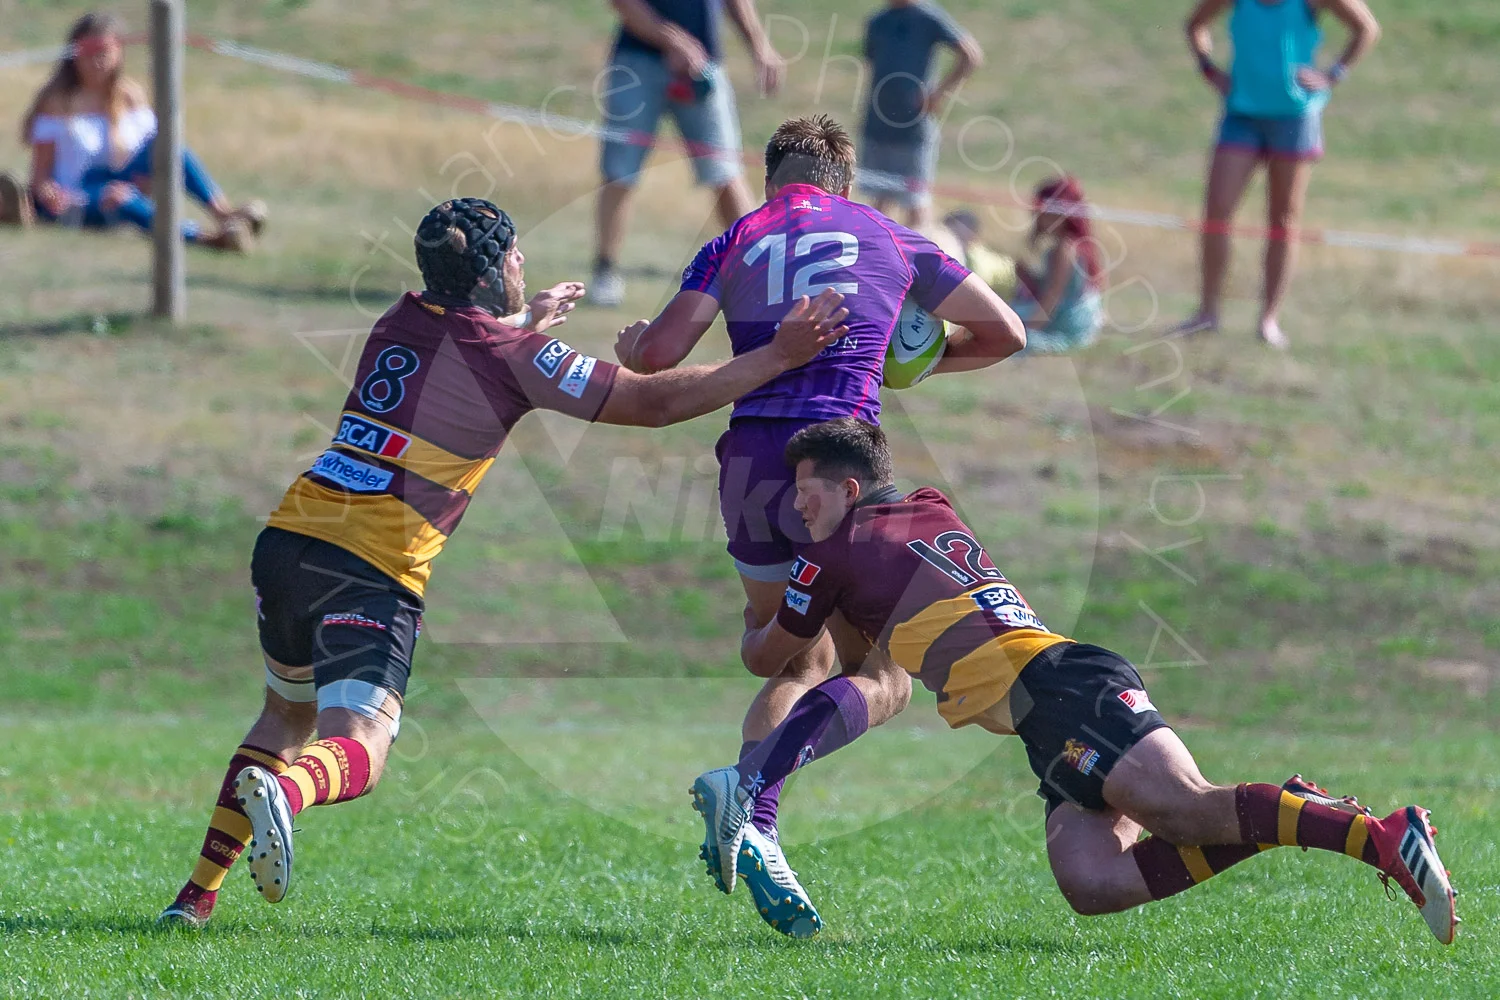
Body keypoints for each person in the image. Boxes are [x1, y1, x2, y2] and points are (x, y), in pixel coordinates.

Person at [156, 196, 850, 929]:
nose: (524, 262)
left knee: (283, 714)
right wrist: (778, 355)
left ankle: (194, 899)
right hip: (374, 563)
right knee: (360, 743)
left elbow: (469, 351)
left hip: (290, 539)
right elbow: (650, 404)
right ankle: (290, 793)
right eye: (515, 254)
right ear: (491, 273)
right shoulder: (515, 356)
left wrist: (522, 320)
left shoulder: (399, 319)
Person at [691, 418, 1459, 945]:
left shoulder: (831, 555)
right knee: (1093, 882)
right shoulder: (929, 504)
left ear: (851, 492)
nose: (798, 506)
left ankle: (1379, 836)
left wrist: (758, 617)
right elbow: (885, 598)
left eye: (809, 492)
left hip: (1060, 686)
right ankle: (1285, 810)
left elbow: (771, 656)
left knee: (1186, 810)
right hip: (1044, 715)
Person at [618, 114, 1026, 935]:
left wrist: (634, 346)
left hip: (751, 460)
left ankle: (757, 824)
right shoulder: (890, 235)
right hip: (838, 464)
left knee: (796, 657)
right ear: (844, 181)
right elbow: (1006, 333)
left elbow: (659, 354)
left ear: (773, 178)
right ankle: (753, 799)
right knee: (882, 675)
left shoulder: (740, 235)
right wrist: (916, 363)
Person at [1173, 0, 1380, 348]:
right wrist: (1209, 69)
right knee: (1217, 213)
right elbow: (1195, 24)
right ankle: (1207, 312)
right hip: (1241, 114)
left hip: (1294, 117)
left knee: (1283, 219)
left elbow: (1366, 29)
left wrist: (1333, 75)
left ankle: (1268, 319)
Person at [7, 12, 264, 249]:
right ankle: (207, 239)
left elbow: (153, 150)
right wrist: (51, 195)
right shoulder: (56, 103)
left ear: (119, 52)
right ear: (74, 53)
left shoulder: (130, 95)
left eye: (104, 51)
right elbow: (40, 177)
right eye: (89, 52)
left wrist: (152, 181)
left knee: (171, 149)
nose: (96, 61)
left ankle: (226, 215)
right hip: (79, 194)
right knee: (118, 196)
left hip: (126, 178)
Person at [592, 0, 785, 307]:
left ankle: (761, 272)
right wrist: (672, 39)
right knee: (620, 172)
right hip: (637, 62)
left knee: (726, 173)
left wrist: (759, 45)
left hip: (703, 65)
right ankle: (605, 270)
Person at [857, 0, 983, 229]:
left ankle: (917, 250)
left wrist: (938, 93)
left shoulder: (928, 17)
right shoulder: (878, 22)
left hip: (913, 129)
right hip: (877, 125)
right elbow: (872, 62)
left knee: (916, 202)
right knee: (879, 201)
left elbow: (970, 55)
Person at [948, 177, 1106, 354]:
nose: (1036, 215)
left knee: (1002, 330)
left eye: (1041, 211)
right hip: (1072, 323)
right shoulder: (1073, 245)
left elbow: (1051, 299)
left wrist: (1024, 331)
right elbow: (1056, 288)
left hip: (1064, 326)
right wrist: (1024, 274)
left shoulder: (1065, 250)